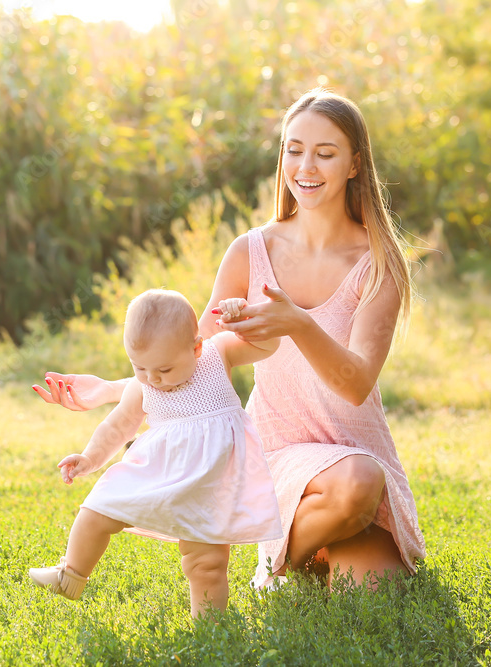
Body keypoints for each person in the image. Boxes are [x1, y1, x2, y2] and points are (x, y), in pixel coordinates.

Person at [33, 87, 427, 591]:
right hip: (279, 450)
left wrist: (298, 324)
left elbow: (355, 384)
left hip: (355, 450)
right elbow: (196, 357)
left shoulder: (377, 265)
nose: (306, 165)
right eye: (294, 149)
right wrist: (109, 390)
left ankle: (306, 553)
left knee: (379, 589)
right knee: (355, 489)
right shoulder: (250, 251)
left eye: (325, 154)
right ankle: (282, 562)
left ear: (354, 164)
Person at [29, 289, 283, 617]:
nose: (152, 379)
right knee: (96, 509)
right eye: (140, 368)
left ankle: (211, 632)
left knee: (206, 564)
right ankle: (71, 575)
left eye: (163, 369)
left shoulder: (218, 355)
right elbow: (117, 426)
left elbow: (268, 345)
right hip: (158, 471)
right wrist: (89, 458)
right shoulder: (143, 386)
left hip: (210, 484)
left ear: (196, 347)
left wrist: (243, 317)